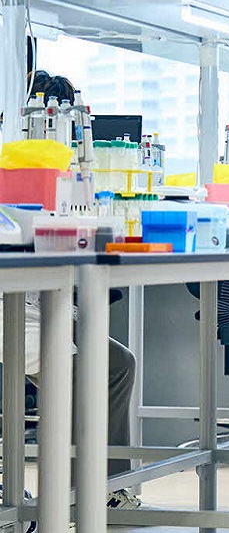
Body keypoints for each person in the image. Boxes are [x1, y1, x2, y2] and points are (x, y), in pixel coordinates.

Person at [3, 70, 141, 509]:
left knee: (116, 362)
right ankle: (77, 489)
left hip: (43, 305)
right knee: (86, 368)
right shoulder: (14, 171)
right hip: (14, 311)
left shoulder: (67, 179)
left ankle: (101, 486)